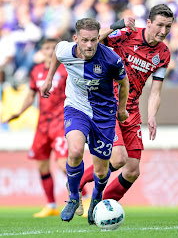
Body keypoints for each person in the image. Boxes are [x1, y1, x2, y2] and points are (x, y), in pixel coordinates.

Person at [77, 4, 174, 223]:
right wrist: (114, 26)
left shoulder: (164, 53)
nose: (163, 30)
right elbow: (91, 45)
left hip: (131, 109)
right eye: (159, 25)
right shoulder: (127, 34)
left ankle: (98, 208)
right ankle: (79, 182)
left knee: (132, 170)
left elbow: (156, 91)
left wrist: (151, 116)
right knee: (119, 158)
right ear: (148, 23)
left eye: (168, 26)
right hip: (107, 103)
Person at [40, 18, 129, 223]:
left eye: (92, 40)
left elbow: (124, 84)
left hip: (103, 114)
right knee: (75, 151)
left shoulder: (111, 59)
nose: (88, 45)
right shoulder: (65, 50)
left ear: (98, 38)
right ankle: (73, 197)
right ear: (76, 39)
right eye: (84, 40)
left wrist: (122, 109)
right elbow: (56, 54)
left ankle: (97, 197)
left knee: (101, 170)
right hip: (76, 108)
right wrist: (49, 79)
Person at [4, 38, 68, 217]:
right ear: (41, 51)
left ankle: (84, 198)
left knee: (64, 164)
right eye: (46, 48)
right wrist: (18, 113)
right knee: (42, 166)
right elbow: (31, 94)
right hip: (42, 125)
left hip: (61, 123)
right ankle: (51, 205)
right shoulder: (36, 71)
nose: (49, 51)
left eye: (52, 48)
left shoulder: (66, 70)